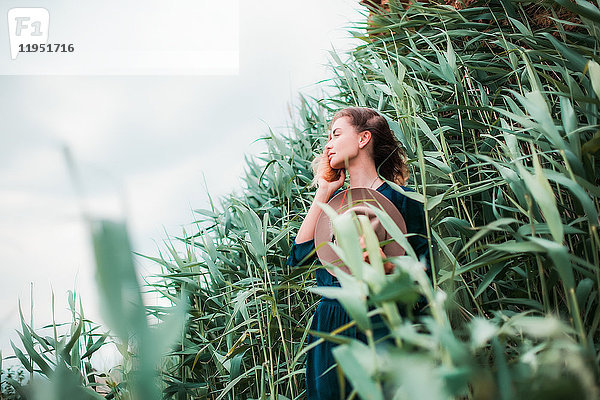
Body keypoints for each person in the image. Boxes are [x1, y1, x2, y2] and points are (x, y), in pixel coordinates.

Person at [286, 107, 432, 399]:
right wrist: (324, 190)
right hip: (330, 322)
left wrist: (387, 267)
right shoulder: (334, 204)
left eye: (336, 134)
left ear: (364, 138)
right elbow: (298, 257)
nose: (328, 144)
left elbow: (424, 271)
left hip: (379, 317)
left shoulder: (402, 198)